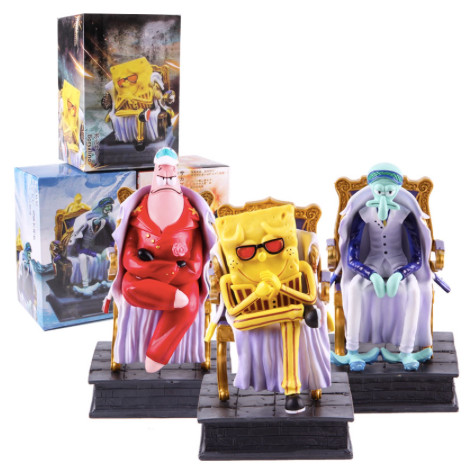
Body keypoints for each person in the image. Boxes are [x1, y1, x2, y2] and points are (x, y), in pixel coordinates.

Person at [104, 148, 215, 372]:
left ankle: (157, 354)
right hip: (143, 277)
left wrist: (170, 273)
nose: (166, 179)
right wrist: (162, 269)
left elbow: (194, 267)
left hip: (181, 279)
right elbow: (129, 259)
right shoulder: (138, 216)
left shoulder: (192, 219)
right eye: (161, 175)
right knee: (129, 287)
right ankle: (172, 298)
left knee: (189, 303)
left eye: (170, 176)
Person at [331, 163, 435, 371]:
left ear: (397, 190)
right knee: (355, 287)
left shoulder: (405, 214)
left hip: (399, 262)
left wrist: (400, 274)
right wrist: (371, 275)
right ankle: (352, 350)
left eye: (390, 191)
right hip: (372, 261)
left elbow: (417, 257)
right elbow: (352, 257)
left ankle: (406, 350)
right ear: (371, 189)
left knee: (414, 289)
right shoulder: (363, 214)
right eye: (380, 191)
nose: (384, 196)